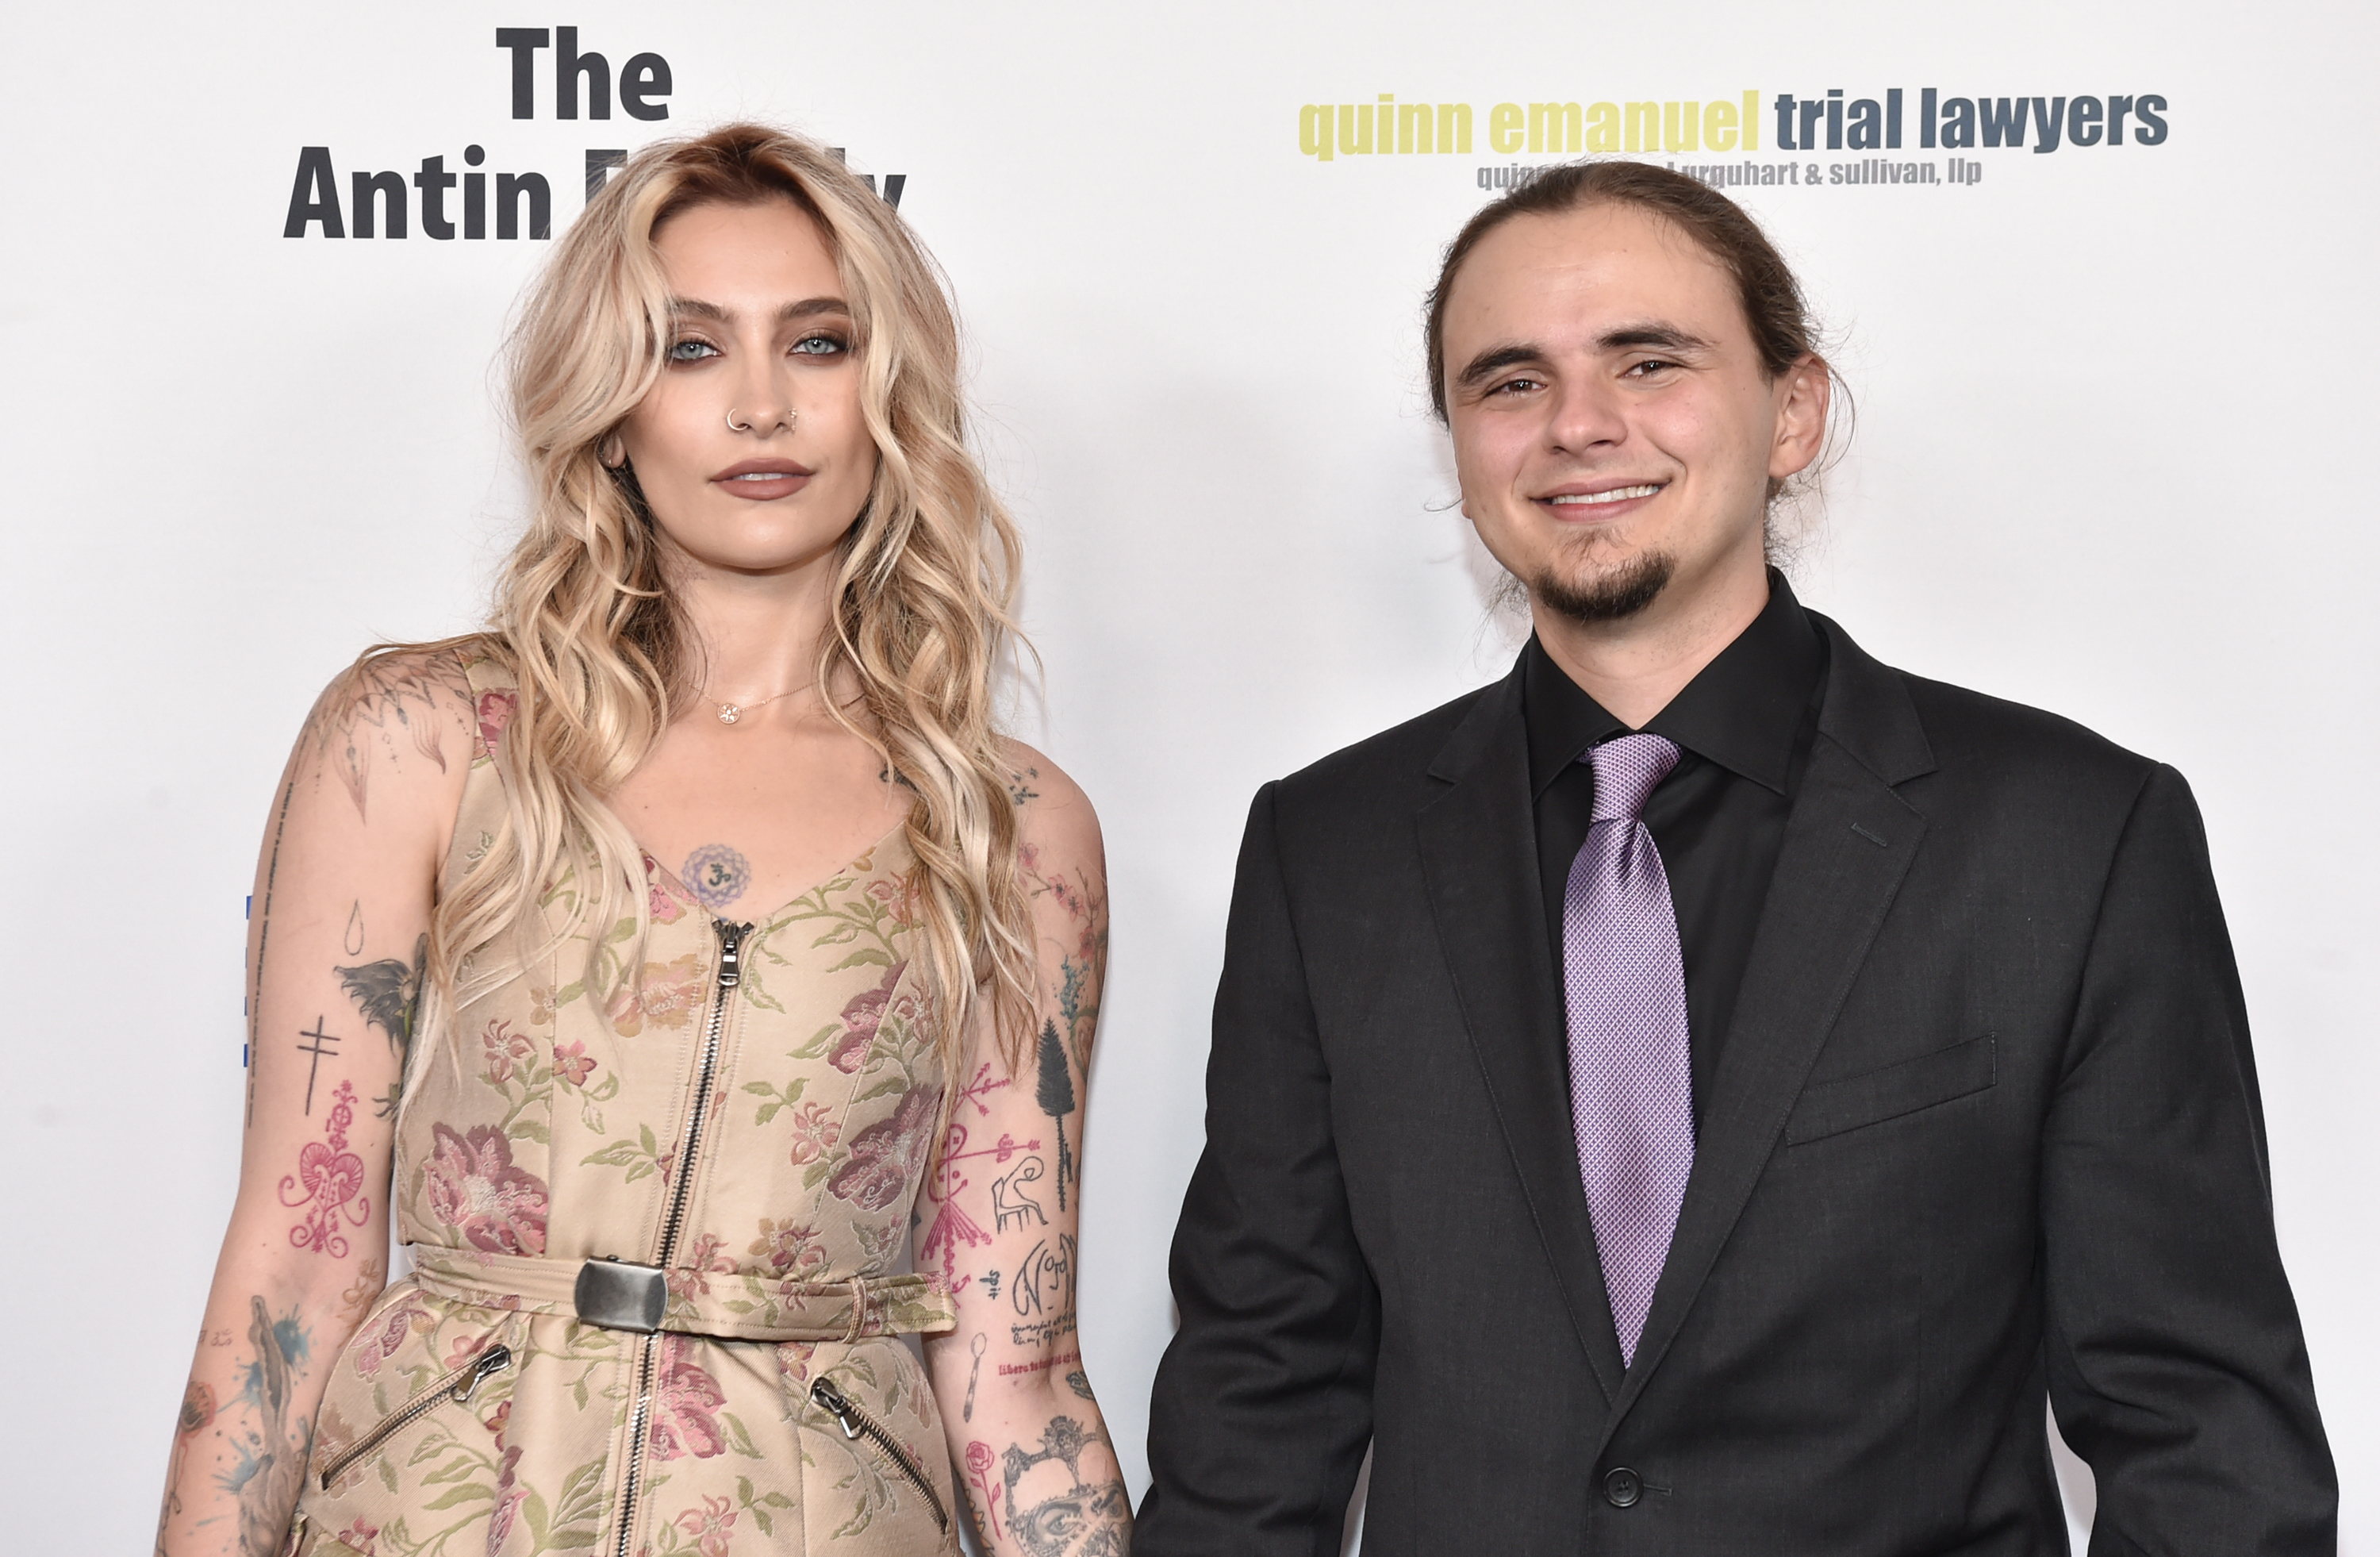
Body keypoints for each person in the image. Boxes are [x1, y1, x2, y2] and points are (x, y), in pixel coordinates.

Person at [1138, 161, 2334, 1552]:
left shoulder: (2070, 834)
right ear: (1458, 443)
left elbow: (2204, 1435)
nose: (1581, 425)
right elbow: (1257, 1397)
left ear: (1794, 412)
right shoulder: (1326, 848)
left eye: (1650, 361)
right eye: (1510, 382)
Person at [155, 125, 1130, 1557]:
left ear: (890, 391)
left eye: (817, 343)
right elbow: (294, 1271)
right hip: (437, 1510)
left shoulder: (1013, 828)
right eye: (688, 349)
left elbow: (1013, 1365)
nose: (759, 406)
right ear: (610, 405)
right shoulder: (420, 737)